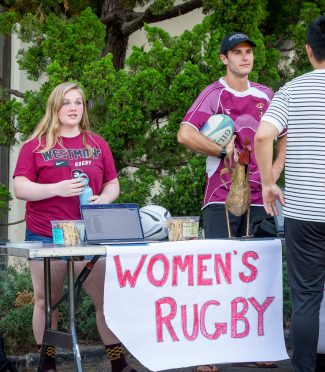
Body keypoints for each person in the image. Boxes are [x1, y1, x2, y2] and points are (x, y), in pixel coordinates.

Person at [177, 32, 286, 371]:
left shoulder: (266, 95)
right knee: (218, 272)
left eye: (248, 52)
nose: (244, 58)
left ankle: (258, 346)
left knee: (260, 273)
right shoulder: (214, 94)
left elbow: (284, 138)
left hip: (260, 196)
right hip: (221, 196)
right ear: (224, 58)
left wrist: (272, 176)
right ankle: (209, 352)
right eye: (236, 53)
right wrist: (223, 149)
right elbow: (185, 134)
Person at [13, 82, 136, 372]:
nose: (73, 108)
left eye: (78, 102)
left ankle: (119, 363)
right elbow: (20, 187)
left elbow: (112, 182)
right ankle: (48, 364)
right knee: (47, 301)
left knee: (106, 301)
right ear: (55, 107)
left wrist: (104, 198)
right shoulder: (37, 145)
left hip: (91, 233)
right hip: (46, 234)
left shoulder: (96, 143)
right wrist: (57, 188)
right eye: (66, 102)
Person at [254, 15, 325, 372]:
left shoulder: (293, 90)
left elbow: (263, 135)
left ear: (310, 50)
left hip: (306, 213)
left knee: (307, 298)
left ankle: (304, 367)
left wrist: (269, 182)